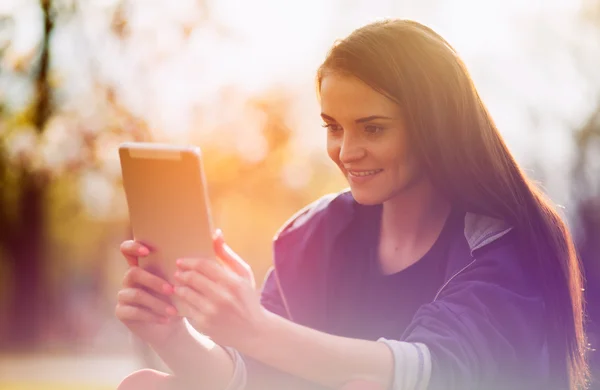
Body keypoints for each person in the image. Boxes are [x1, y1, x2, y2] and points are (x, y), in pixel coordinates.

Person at [115, 19, 589, 390]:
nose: (346, 151)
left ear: (435, 125)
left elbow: (431, 368)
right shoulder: (311, 235)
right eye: (333, 127)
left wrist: (253, 328)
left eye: (373, 128)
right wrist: (173, 335)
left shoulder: (503, 244)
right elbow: (263, 378)